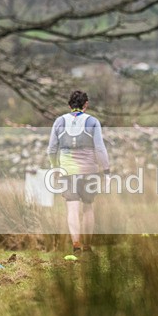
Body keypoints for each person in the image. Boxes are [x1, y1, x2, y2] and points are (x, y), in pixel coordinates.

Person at [47, 90, 110, 255]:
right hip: (89, 171)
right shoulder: (93, 122)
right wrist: (106, 169)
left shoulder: (59, 122)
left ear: (69, 105)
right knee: (88, 207)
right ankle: (88, 247)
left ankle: (76, 244)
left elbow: (51, 149)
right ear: (86, 105)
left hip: (67, 172)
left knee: (72, 208)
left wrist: (55, 168)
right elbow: (100, 148)